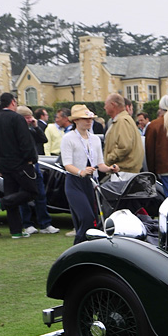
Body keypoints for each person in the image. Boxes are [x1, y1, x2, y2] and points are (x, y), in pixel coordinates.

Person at [61, 105, 119, 244]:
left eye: (90, 119)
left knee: (92, 219)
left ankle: (83, 248)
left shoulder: (95, 139)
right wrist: (81, 172)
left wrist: (111, 169)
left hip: (91, 183)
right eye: (85, 119)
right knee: (86, 218)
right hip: (74, 183)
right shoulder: (68, 138)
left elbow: (100, 165)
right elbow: (67, 164)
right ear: (76, 120)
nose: (89, 121)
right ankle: (77, 249)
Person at [0, 93, 39, 239]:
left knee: (12, 195)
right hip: (21, 164)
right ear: (12, 102)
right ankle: (0, 203)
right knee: (32, 192)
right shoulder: (17, 118)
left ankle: (16, 230)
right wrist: (30, 159)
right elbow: (25, 141)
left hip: (4, 164)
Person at [15, 105, 59, 235]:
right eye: (27, 118)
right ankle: (27, 223)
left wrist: (35, 126)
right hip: (22, 167)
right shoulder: (16, 132)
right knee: (23, 196)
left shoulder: (30, 130)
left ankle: (45, 223)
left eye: (30, 117)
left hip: (34, 166)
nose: (30, 120)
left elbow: (43, 139)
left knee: (41, 194)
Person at [103, 93, 144, 175]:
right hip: (125, 171)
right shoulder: (124, 119)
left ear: (113, 105)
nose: (104, 107)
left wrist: (108, 158)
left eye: (106, 104)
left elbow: (124, 146)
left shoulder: (122, 121)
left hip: (123, 171)